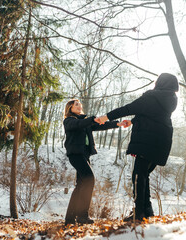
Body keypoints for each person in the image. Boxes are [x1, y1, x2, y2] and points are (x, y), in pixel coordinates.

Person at [96, 73, 179, 221]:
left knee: (138, 175)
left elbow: (129, 108)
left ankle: (139, 212)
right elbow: (153, 114)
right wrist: (133, 122)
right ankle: (146, 211)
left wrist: (106, 117)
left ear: (160, 82)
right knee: (144, 175)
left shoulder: (152, 96)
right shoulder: (170, 99)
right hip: (162, 141)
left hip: (147, 139)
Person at [63, 99, 127, 225]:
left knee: (80, 185)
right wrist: (92, 119)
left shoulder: (84, 122)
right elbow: (78, 125)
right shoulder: (69, 121)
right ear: (70, 108)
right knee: (89, 179)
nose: (79, 106)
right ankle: (82, 216)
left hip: (84, 154)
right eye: (76, 104)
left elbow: (100, 126)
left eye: (80, 104)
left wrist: (117, 124)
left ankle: (69, 219)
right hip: (75, 155)